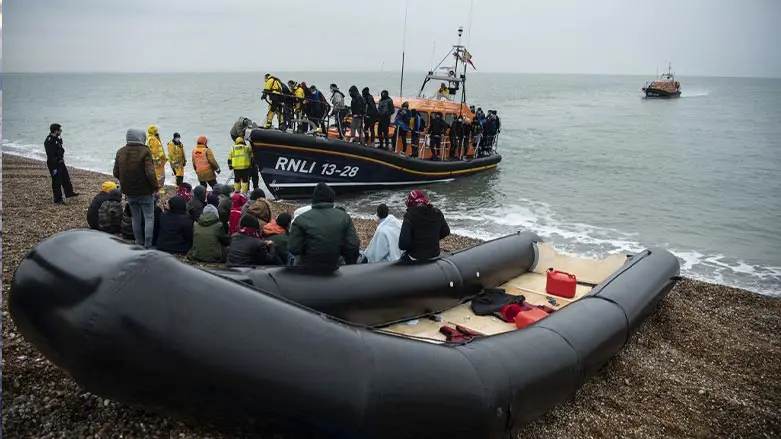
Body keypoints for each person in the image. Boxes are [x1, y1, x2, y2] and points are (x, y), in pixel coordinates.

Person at [288, 182, 360, 273]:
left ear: (313, 200)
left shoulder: (300, 219)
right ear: (331, 198)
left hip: (308, 267)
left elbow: (293, 248)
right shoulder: (344, 217)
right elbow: (353, 245)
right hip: (335, 265)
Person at [113, 128, 159, 248]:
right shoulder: (145, 151)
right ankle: (148, 244)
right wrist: (155, 187)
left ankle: (138, 242)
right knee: (149, 217)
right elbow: (150, 172)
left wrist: (125, 181)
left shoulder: (120, 152)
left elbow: (115, 172)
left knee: (135, 218)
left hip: (129, 192)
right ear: (141, 137)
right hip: (145, 191)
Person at [398, 189, 450, 261]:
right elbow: (446, 231)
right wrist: (433, 239)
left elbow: (403, 244)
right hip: (434, 254)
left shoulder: (410, 215)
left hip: (416, 256)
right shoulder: (437, 212)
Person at [44, 123, 79, 204]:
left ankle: (69, 192)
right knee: (56, 181)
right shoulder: (49, 141)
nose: (61, 131)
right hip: (54, 164)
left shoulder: (57, 138)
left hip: (60, 162)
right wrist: (55, 164)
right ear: (56, 131)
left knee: (66, 178)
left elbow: (60, 149)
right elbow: (51, 154)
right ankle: (57, 199)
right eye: (59, 130)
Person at [146, 125, 167, 195]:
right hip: (157, 160)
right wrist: (158, 159)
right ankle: (159, 189)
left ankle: (157, 188)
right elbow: (155, 151)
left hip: (156, 160)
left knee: (157, 174)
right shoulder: (153, 139)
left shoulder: (151, 138)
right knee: (160, 174)